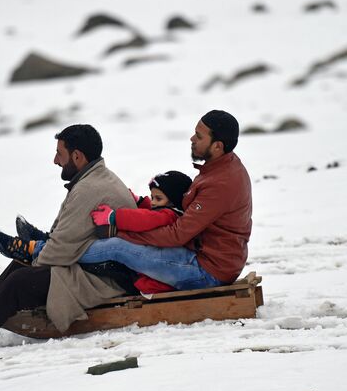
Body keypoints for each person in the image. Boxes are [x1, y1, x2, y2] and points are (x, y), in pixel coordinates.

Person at [0, 124, 136, 350]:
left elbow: (60, 249)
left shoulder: (90, 188)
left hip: (104, 281)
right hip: (90, 267)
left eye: (59, 154)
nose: (55, 160)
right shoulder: (94, 179)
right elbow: (64, 240)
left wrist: (33, 264)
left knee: (21, 280)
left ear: (77, 156)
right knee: (19, 265)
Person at [77, 110, 252, 291]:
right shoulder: (222, 167)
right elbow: (183, 213)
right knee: (124, 244)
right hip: (209, 257)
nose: (192, 138)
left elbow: (177, 235)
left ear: (217, 146)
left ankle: (63, 254)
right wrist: (143, 204)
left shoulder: (220, 184)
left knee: (118, 247)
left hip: (207, 271)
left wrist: (121, 232)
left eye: (199, 137)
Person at [0, 170, 194, 294]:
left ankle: (36, 248)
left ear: (174, 201)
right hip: (139, 267)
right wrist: (139, 201)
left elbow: (146, 218)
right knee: (103, 244)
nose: (153, 203)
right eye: (153, 198)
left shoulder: (169, 215)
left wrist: (114, 217)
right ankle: (48, 241)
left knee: (108, 247)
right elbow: (150, 212)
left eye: (157, 199)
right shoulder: (166, 211)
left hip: (143, 277)